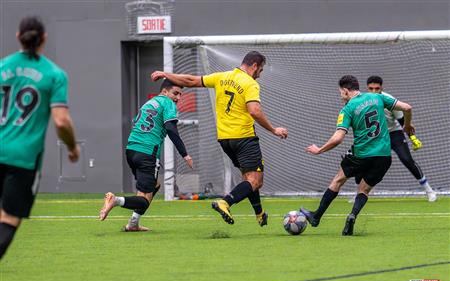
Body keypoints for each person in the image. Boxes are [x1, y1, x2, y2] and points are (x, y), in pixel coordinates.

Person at [151, 51, 288, 227]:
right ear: (254, 66)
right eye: (260, 70)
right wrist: (274, 129)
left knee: (249, 178)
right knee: (256, 180)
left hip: (225, 140)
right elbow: (254, 111)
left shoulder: (221, 77)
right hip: (244, 137)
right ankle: (226, 202)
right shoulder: (250, 84)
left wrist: (165, 74)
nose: (259, 75)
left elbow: (191, 81)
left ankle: (259, 213)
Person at [0, 16, 79, 259]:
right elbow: (61, 120)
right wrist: (72, 147)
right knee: (9, 218)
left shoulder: (2, 67)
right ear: (44, 38)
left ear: (18, 37)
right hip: (23, 159)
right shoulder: (54, 74)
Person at [301, 75, 414, 236]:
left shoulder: (347, 109)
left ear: (346, 91)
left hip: (361, 154)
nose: (341, 96)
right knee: (364, 189)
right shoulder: (378, 97)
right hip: (383, 156)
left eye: (341, 92)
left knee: (338, 180)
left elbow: (338, 138)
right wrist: (408, 125)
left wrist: (320, 150)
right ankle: (352, 215)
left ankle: (316, 216)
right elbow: (407, 108)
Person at [99, 79, 193, 231]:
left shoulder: (149, 103)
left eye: (181, 95)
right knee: (144, 200)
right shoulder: (167, 103)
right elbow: (171, 129)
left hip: (131, 150)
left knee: (154, 185)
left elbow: (136, 122)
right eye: (176, 93)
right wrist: (185, 154)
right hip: (147, 153)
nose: (178, 98)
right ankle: (115, 200)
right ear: (165, 92)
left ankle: (133, 224)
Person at [365, 76, 436, 202]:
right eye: (371, 89)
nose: (374, 91)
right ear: (367, 88)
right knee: (365, 162)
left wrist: (413, 138)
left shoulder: (390, 100)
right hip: (376, 136)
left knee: (406, 159)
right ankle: (361, 192)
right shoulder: (362, 101)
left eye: (377, 88)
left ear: (382, 87)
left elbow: (403, 122)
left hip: (394, 133)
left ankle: (429, 190)